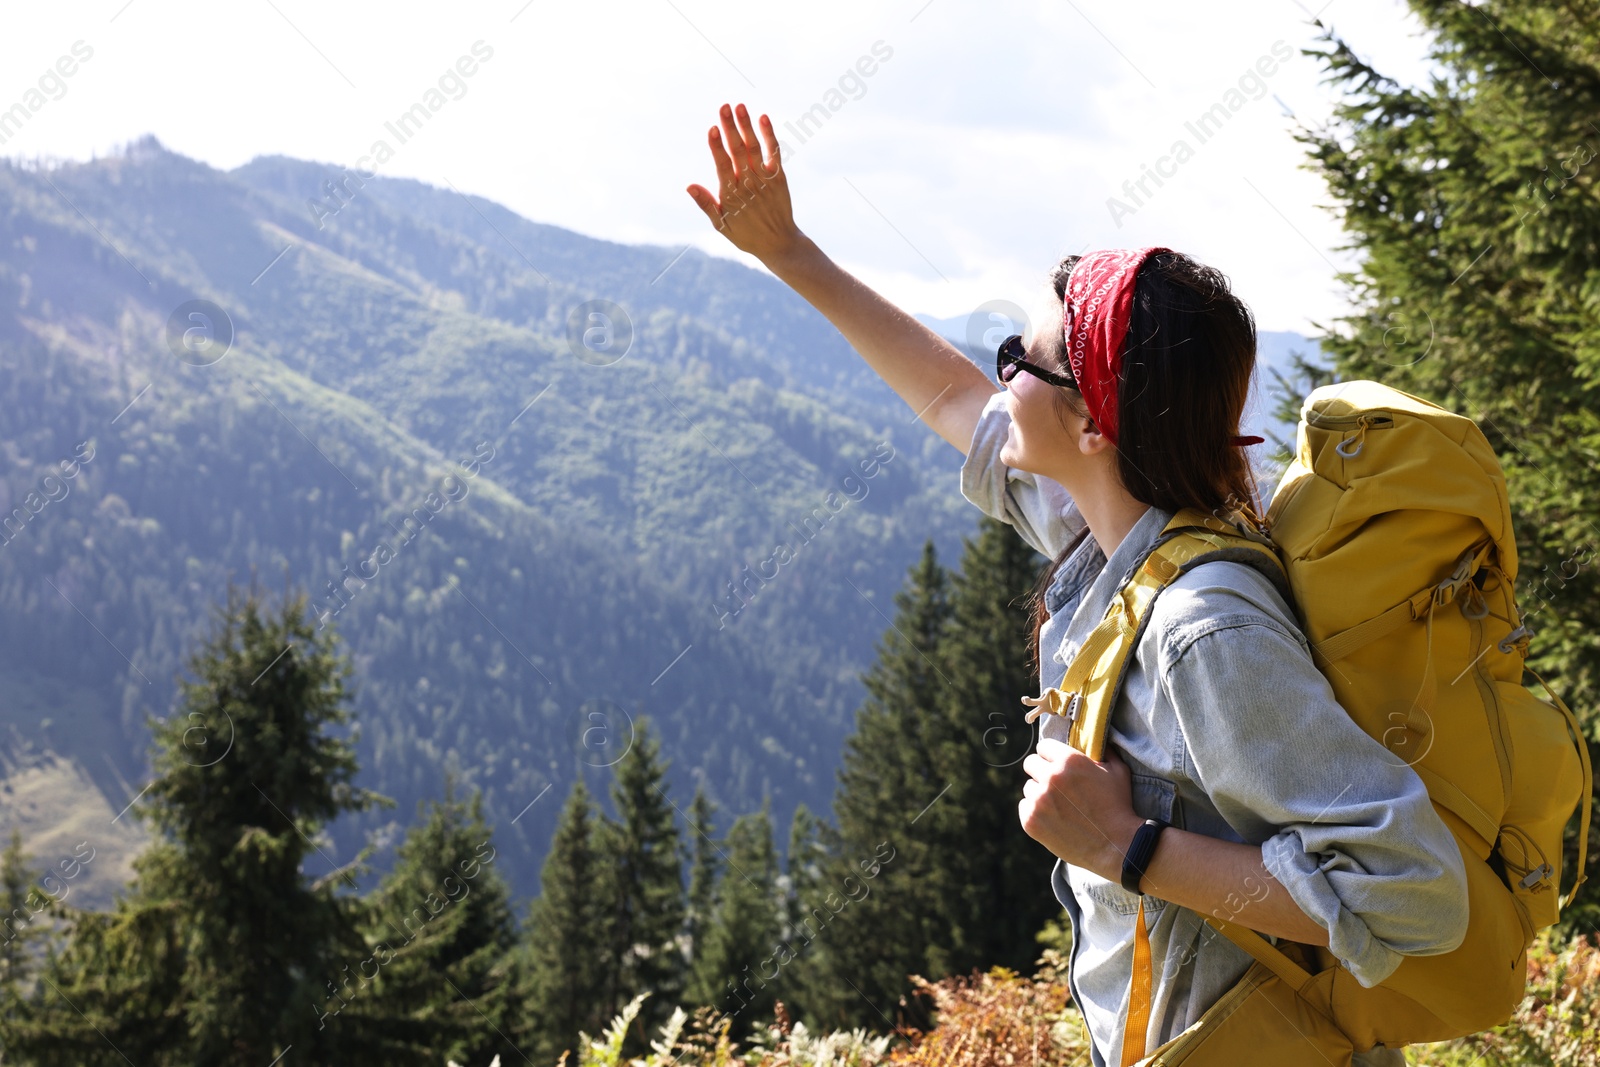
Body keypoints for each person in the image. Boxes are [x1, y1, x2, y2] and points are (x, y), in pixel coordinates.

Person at [686, 101, 1470, 1067]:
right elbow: (957, 404)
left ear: (1098, 425)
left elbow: (1414, 895)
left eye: (1027, 359)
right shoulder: (1116, 535)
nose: (1002, 375)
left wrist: (1127, 846)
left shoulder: (1200, 626)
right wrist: (788, 251)